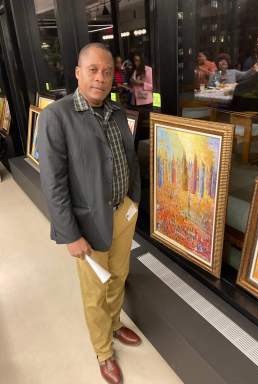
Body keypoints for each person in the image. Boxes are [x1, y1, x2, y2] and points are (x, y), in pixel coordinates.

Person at [38, 43, 141, 384]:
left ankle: (114, 326)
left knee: (119, 276)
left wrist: (133, 201)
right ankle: (103, 351)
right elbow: (53, 183)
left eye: (107, 72)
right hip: (87, 222)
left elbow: (126, 160)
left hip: (122, 212)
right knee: (95, 291)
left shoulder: (114, 111)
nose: (101, 78)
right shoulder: (58, 116)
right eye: (93, 70)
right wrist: (70, 234)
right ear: (78, 72)